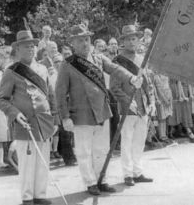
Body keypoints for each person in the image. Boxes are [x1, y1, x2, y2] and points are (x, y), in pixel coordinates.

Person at [56, 24, 142, 195]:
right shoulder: (67, 65)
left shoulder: (98, 58)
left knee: (102, 149)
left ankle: (102, 179)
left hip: (101, 111)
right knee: (84, 151)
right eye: (80, 40)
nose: (84, 43)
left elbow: (115, 69)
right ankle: (90, 182)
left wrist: (131, 78)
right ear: (73, 43)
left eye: (87, 39)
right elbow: (60, 93)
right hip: (81, 115)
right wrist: (65, 117)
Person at [0, 30, 59, 205]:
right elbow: (1, 99)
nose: (30, 49)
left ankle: (40, 195)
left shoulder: (42, 68)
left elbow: (51, 95)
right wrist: (15, 114)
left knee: (43, 161)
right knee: (27, 164)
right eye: (26, 46)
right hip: (25, 124)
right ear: (17, 49)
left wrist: (55, 117)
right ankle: (27, 198)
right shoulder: (12, 71)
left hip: (44, 122)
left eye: (32, 46)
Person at [110, 24, 156, 187]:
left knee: (139, 141)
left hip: (143, 106)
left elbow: (148, 82)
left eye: (134, 38)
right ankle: (127, 174)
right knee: (127, 141)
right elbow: (114, 88)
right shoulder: (117, 61)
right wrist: (127, 103)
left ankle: (138, 171)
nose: (131, 42)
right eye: (128, 39)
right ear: (123, 41)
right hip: (127, 107)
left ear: (138, 40)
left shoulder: (142, 58)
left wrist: (151, 101)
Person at [149, 72, 172, 142]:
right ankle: (162, 136)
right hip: (161, 99)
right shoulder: (156, 76)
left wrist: (170, 98)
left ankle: (164, 135)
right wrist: (164, 100)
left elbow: (168, 86)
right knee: (161, 118)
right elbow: (158, 90)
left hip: (168, 96)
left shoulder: (165, 74)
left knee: (165, 117)